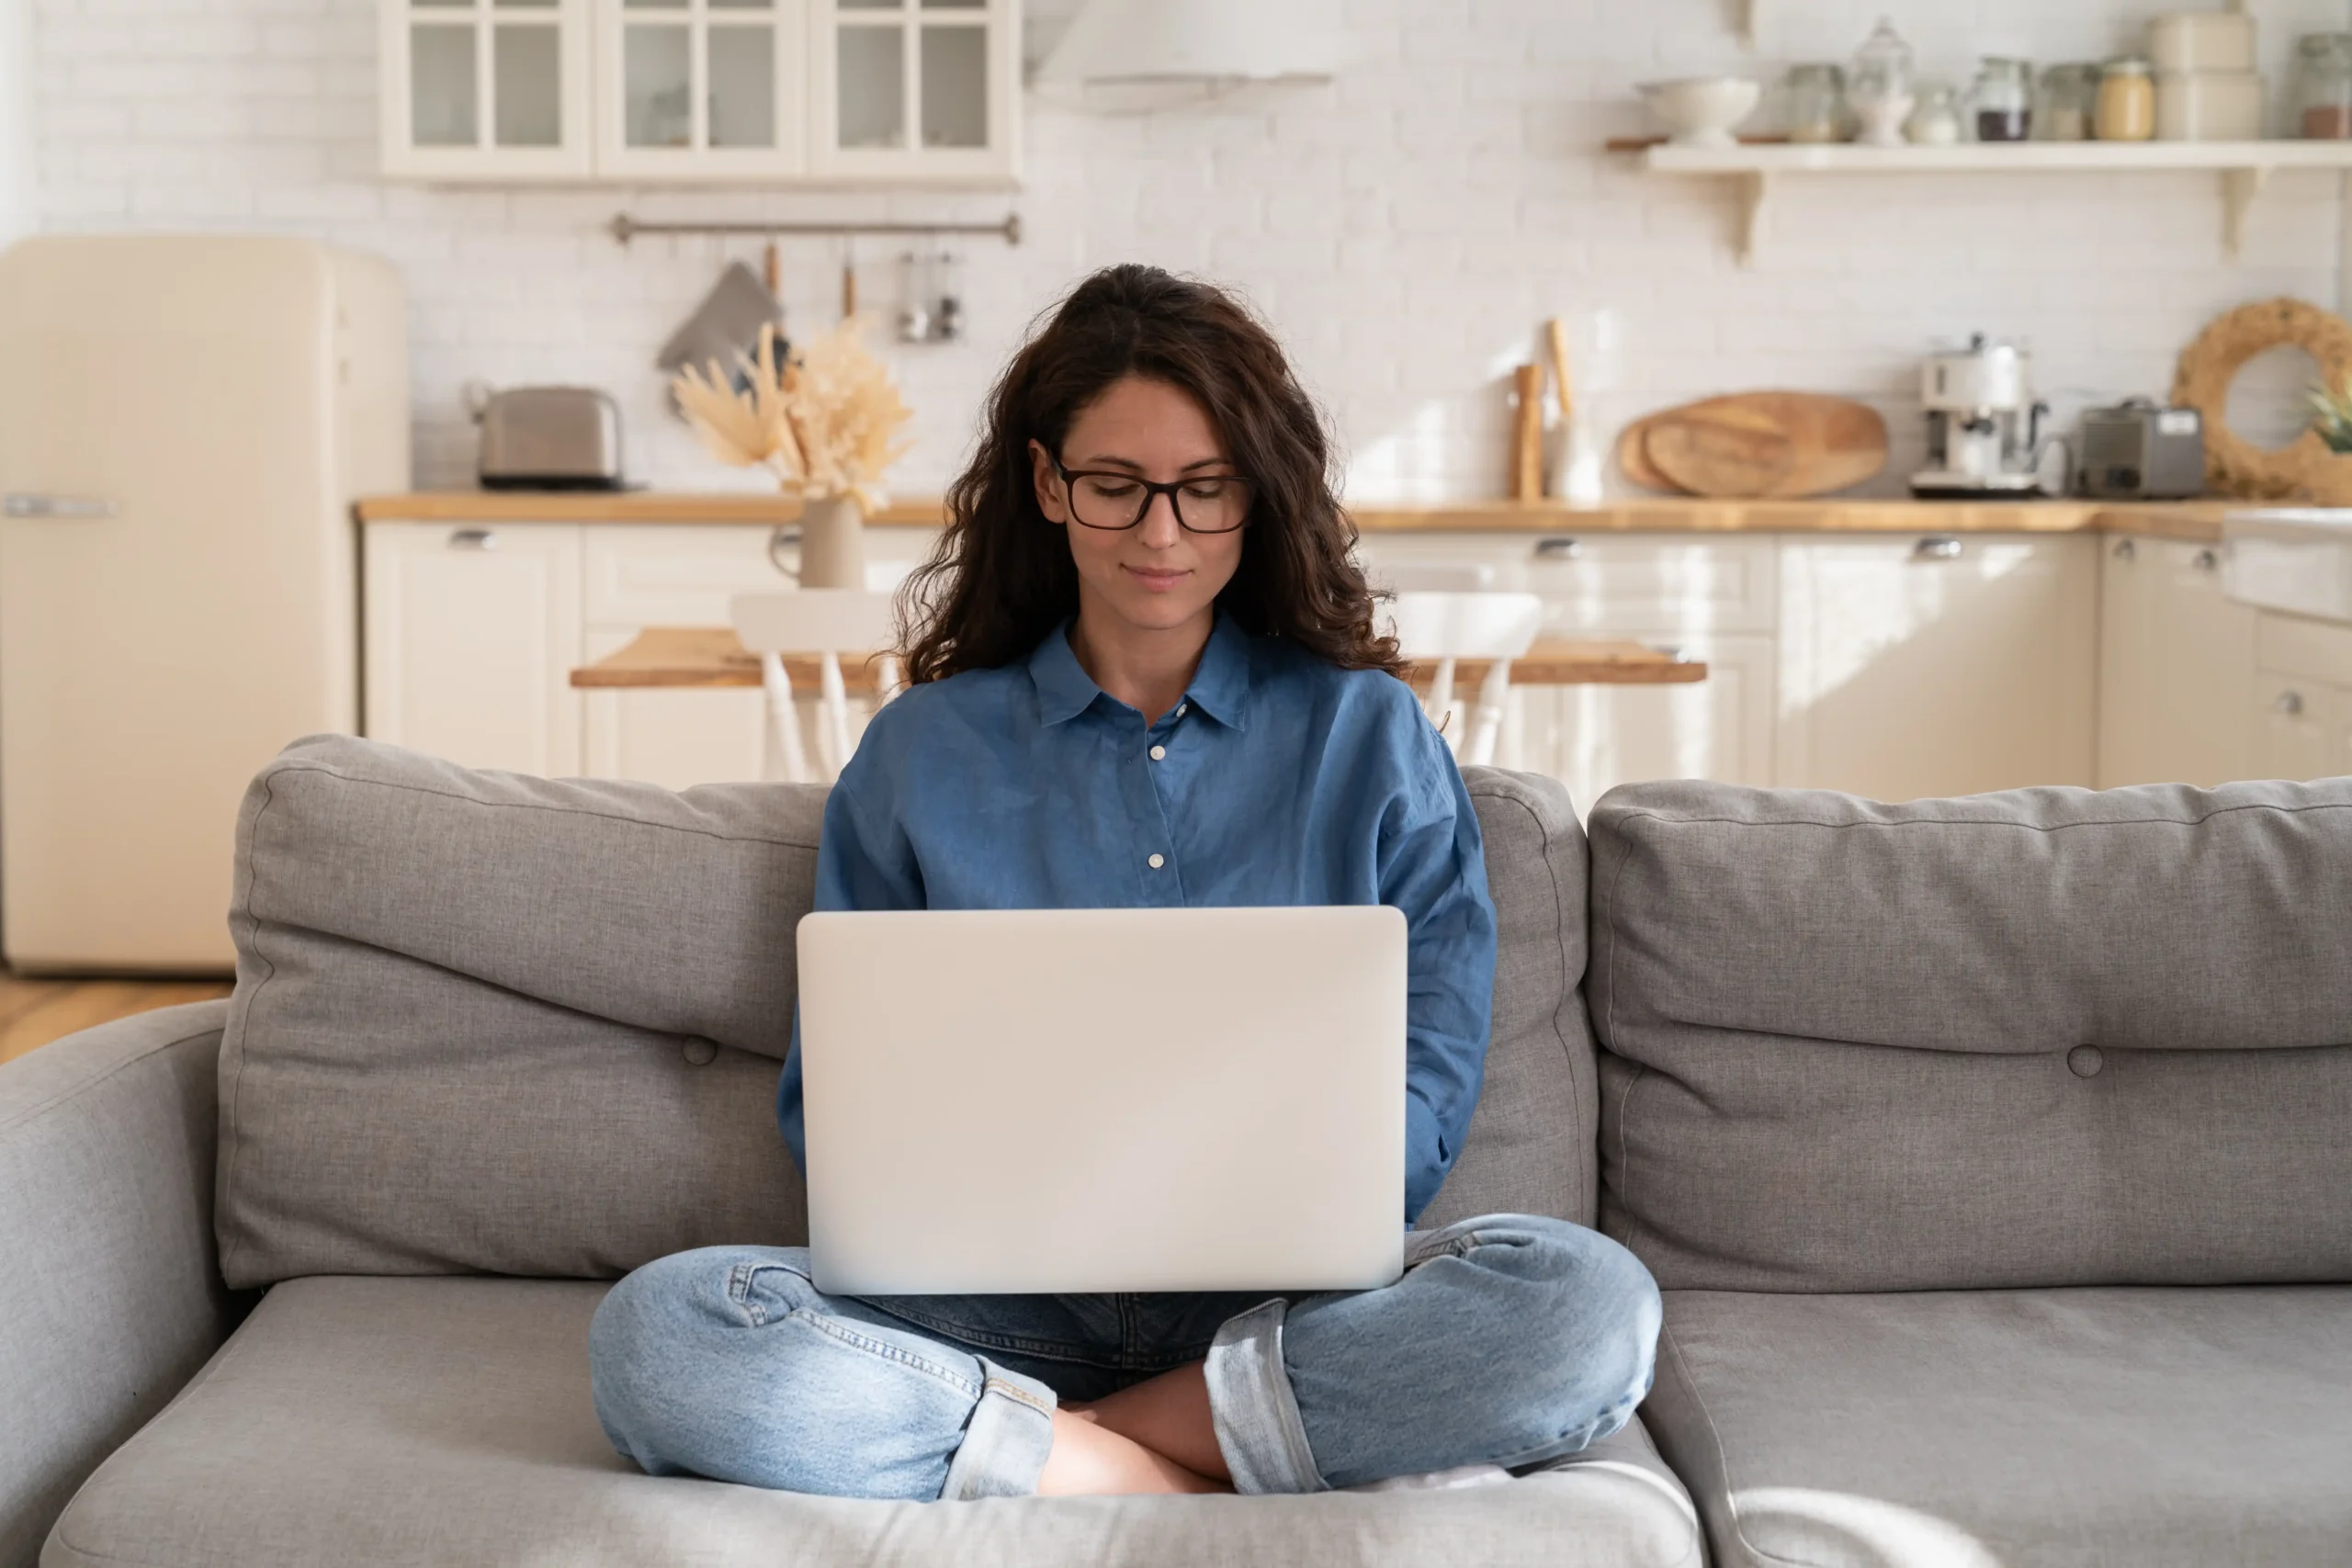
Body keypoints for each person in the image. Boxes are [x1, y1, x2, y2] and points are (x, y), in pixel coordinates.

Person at [588, 265, 1661, 1501]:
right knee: (664, 1333)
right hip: (985, 1310)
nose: (1163, 534)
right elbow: (832, 1107)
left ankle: (1045, 1444)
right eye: (1117, 487)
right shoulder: (923, 752)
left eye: (1205, 490)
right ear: (1048, 483)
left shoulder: (1368, 737)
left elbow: (1425, 1082)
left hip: (1283, 1306)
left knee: (1589, 1303)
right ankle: (1174, 1456)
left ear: (1257, 495)